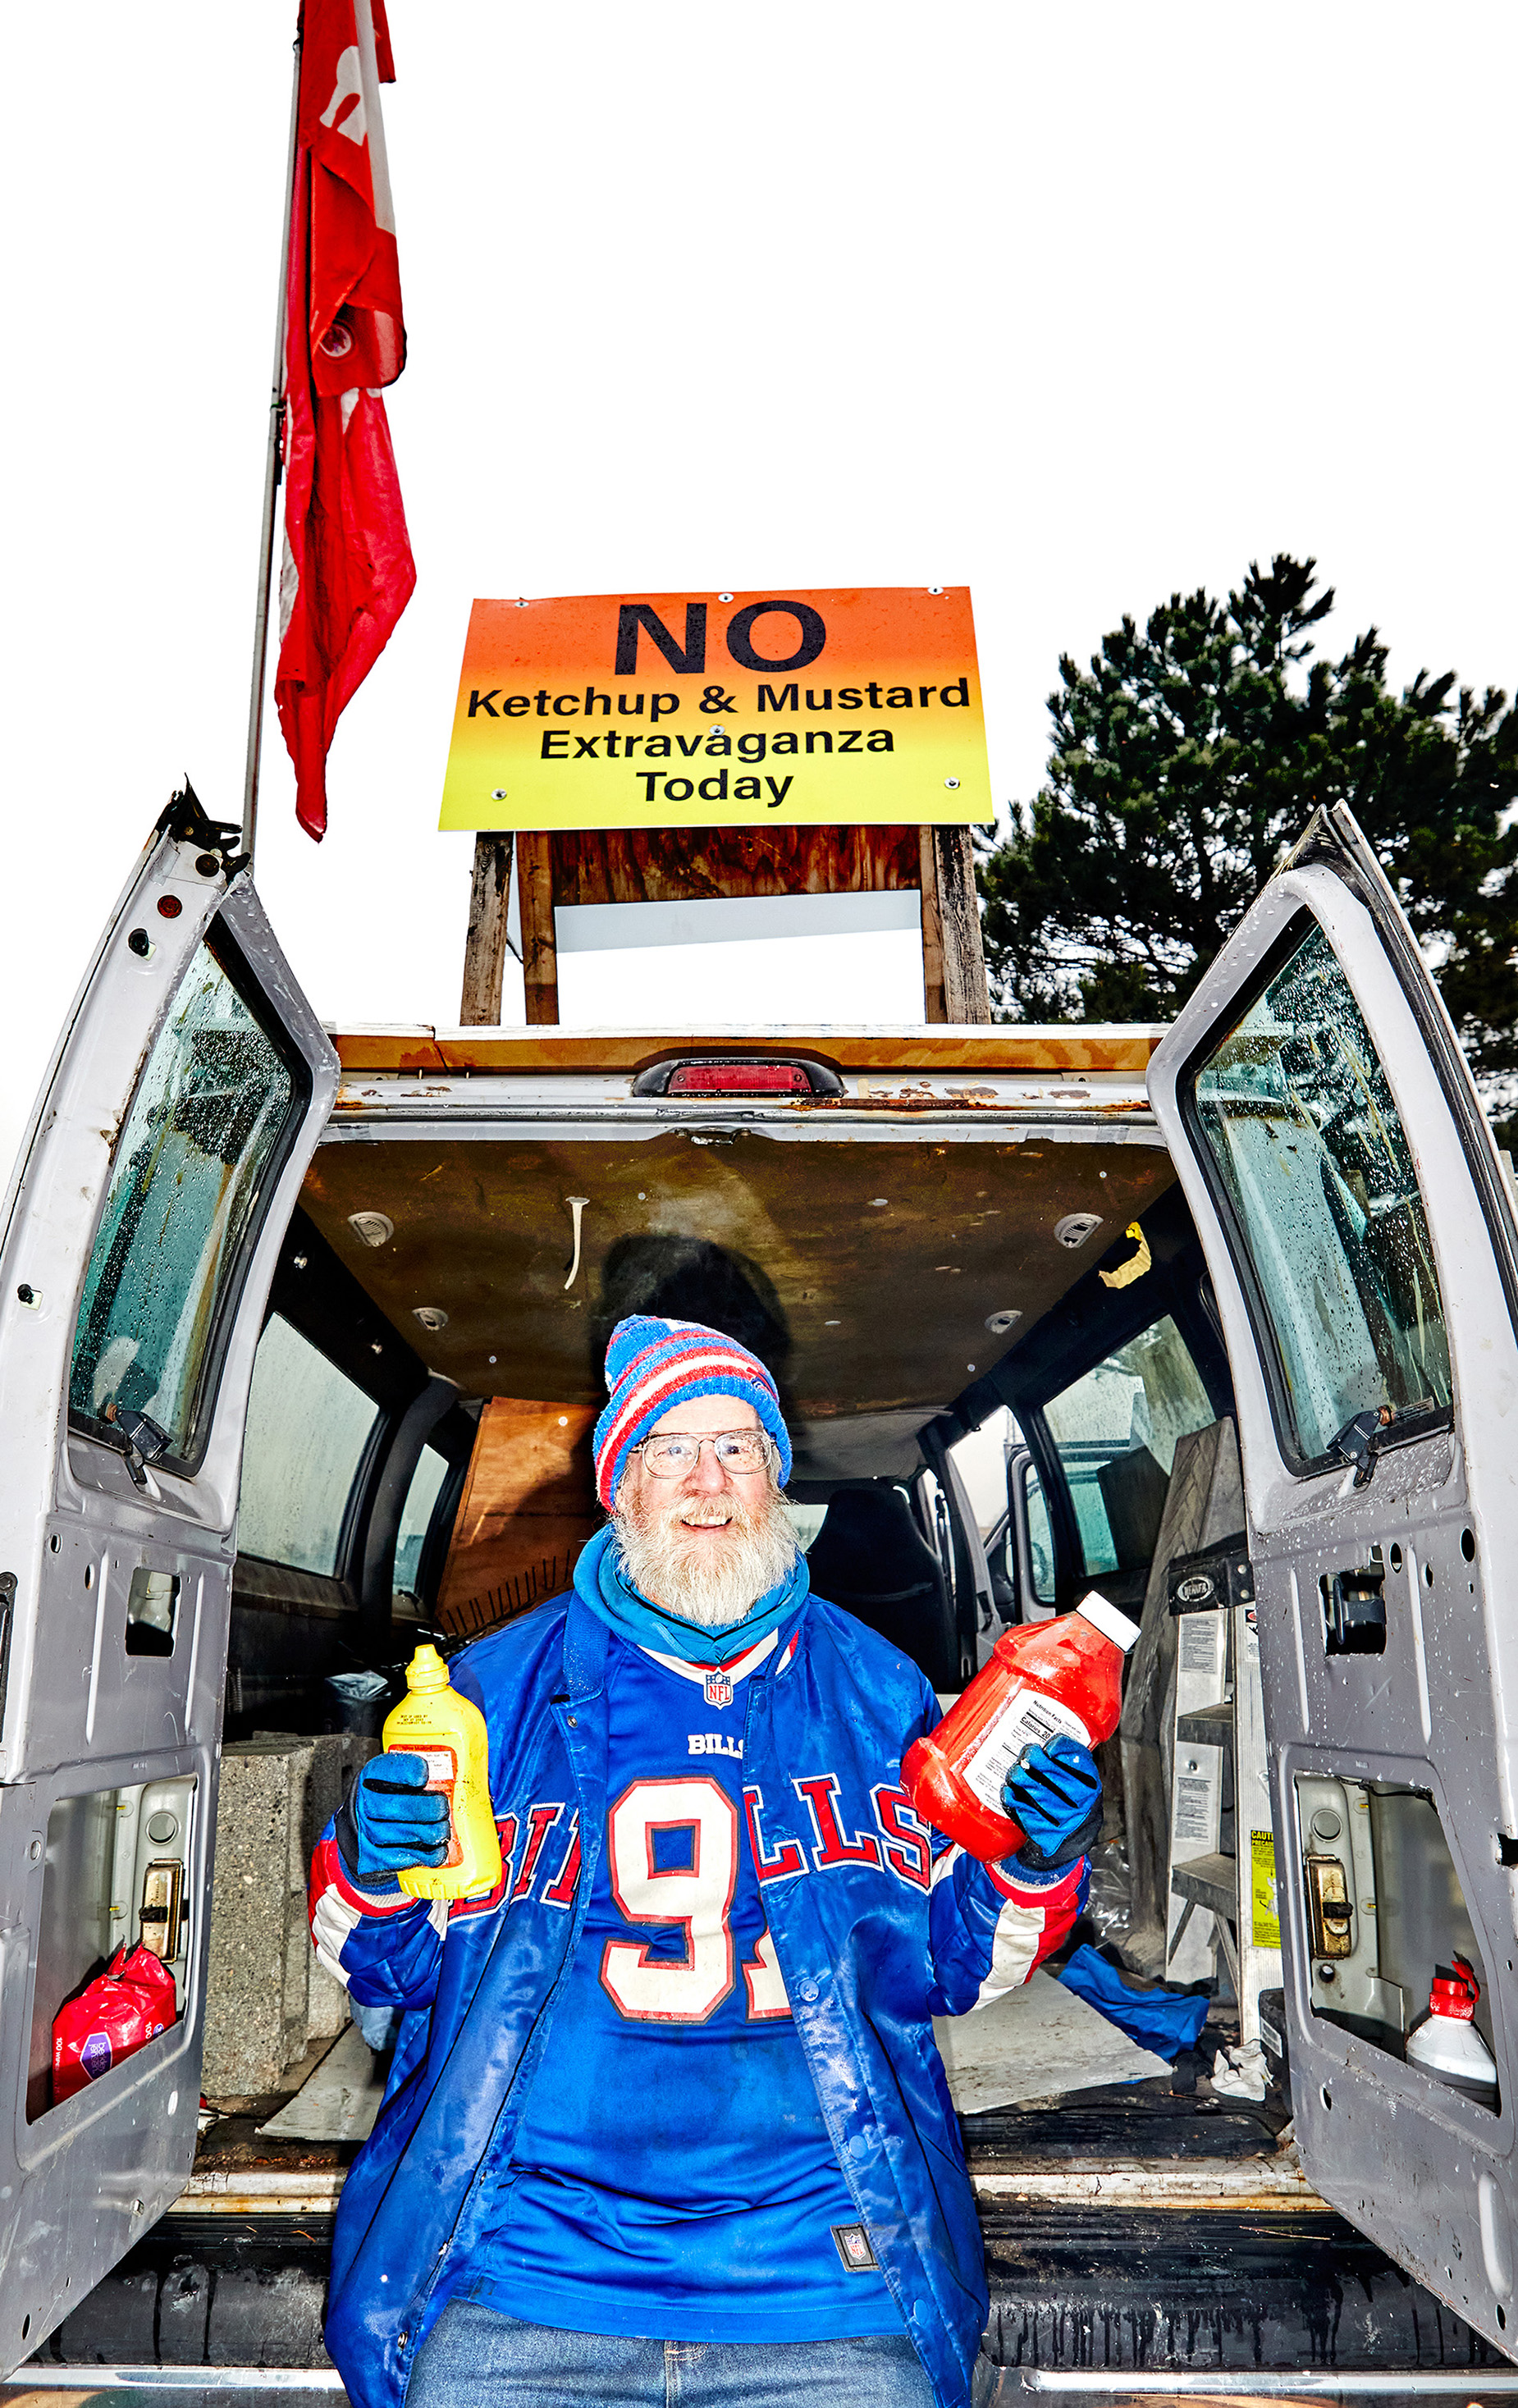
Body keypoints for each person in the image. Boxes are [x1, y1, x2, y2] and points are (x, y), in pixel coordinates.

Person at [309, 1316, 1104, 2408]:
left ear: (777, 1480)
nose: (706, 1479)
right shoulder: (486, 1693)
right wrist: (369, 1866)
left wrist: (1028, 1856)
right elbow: (383, 1976)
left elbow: (957, 1969)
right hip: (522, 2284)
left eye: (738, 1447)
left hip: (829, 2288)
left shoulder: (879, 1692)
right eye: (668, 1449)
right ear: (617, 1486)